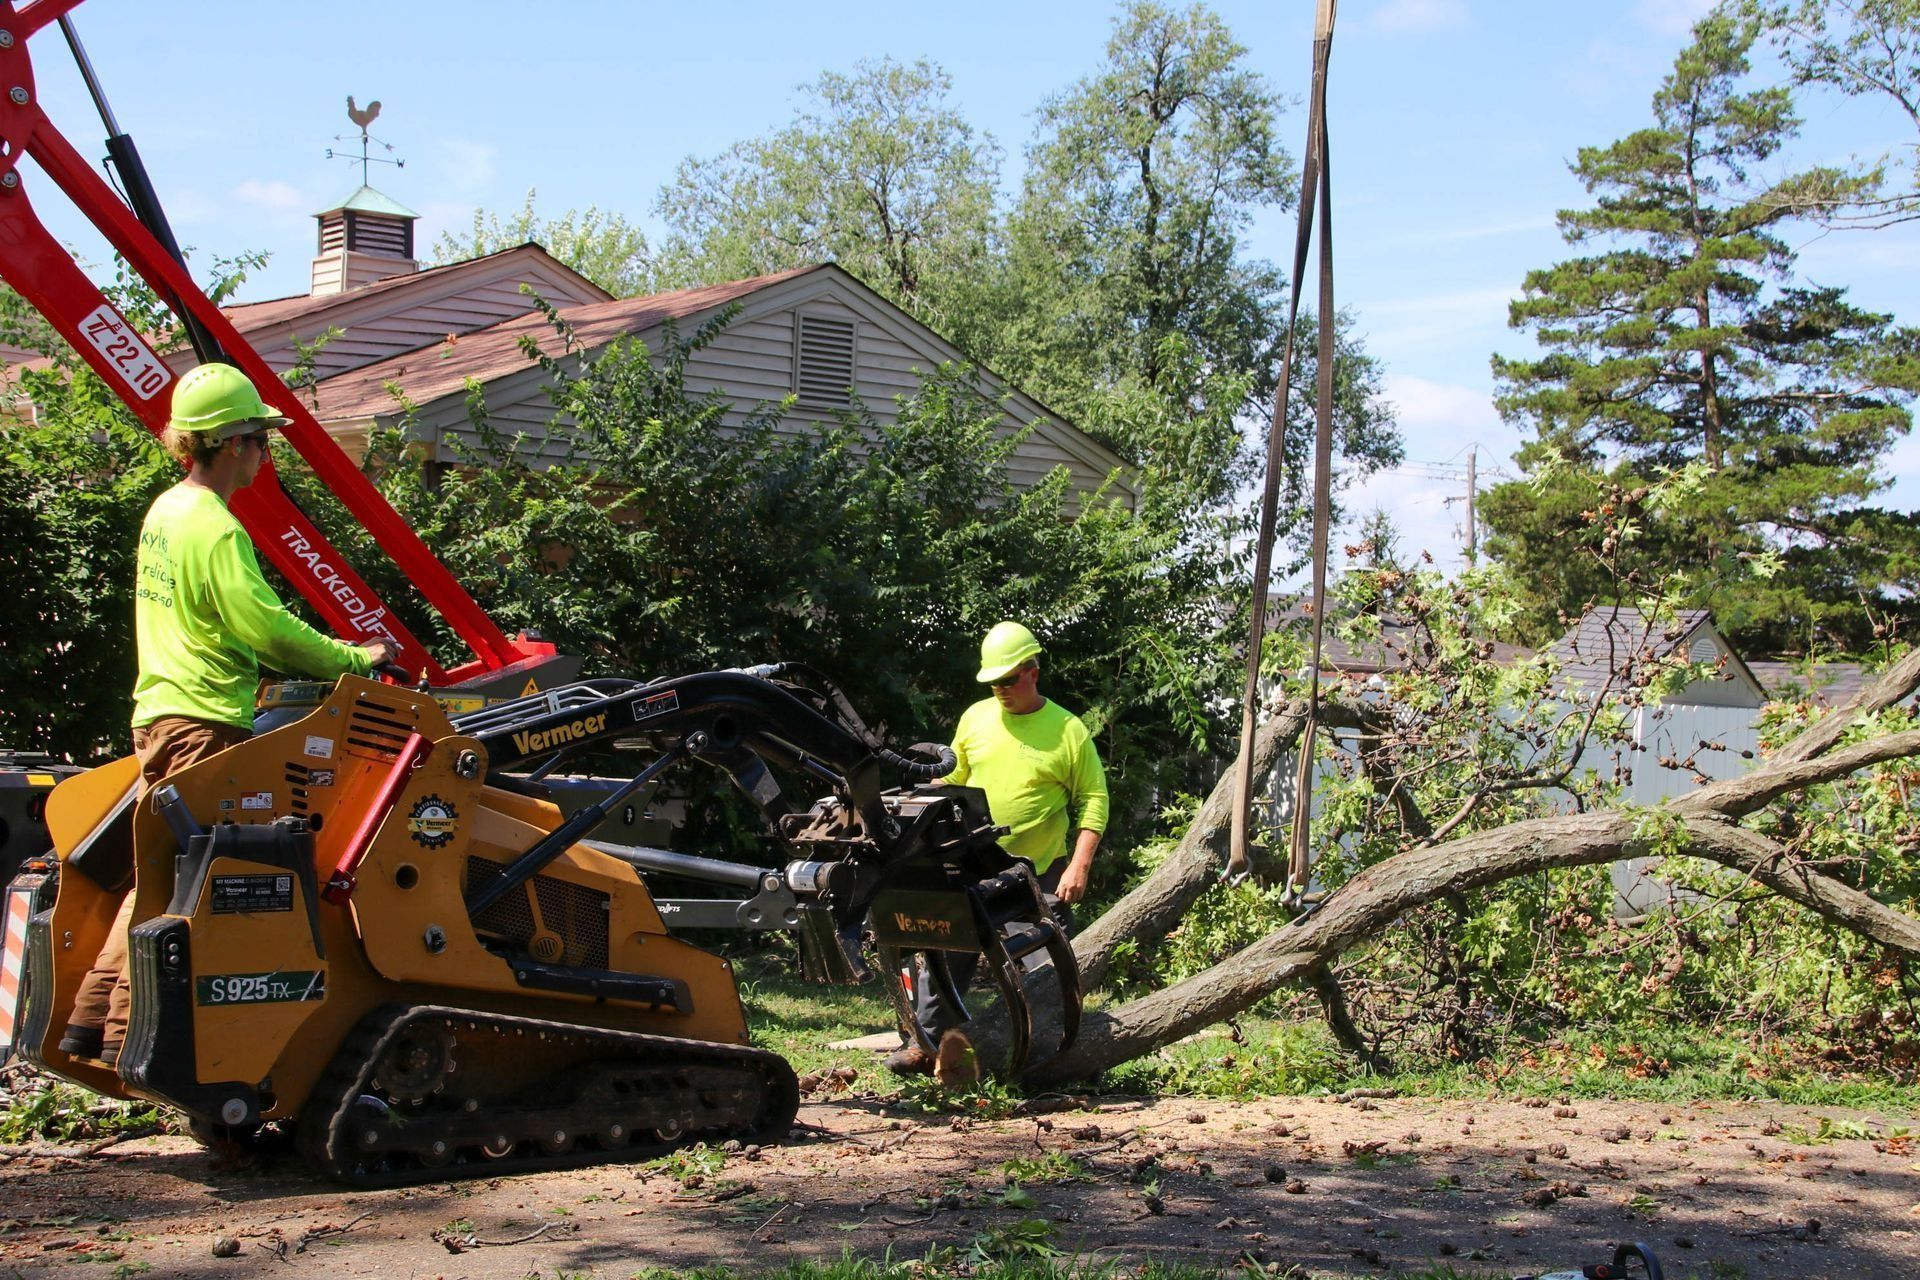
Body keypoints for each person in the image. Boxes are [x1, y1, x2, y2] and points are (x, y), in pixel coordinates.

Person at [57, 363, 396, 1065]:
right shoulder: (215, 528)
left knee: (157, 874)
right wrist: (358, 659)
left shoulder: (165, 513)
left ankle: (90, 1023)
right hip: (204, 723)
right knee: (205, 886)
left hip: (160, 715)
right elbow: (264, 629)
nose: (265, 456)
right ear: (235, 442)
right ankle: (130, 1037)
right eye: (262, 441)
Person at [888, 620, 1108, 1076]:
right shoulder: (976, 717)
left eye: (1009, 680)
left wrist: (1080, 865)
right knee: (947, 950)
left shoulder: (1068, 730)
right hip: (973, 861)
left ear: (1033, 671)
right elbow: (954, 778)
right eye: (993, 683)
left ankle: (1049, 1053)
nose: (1000, 690)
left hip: (1040, 868)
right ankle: (927, 1044)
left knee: (1045, 968)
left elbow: (1094, 799)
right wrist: (918, 795)